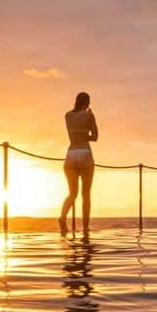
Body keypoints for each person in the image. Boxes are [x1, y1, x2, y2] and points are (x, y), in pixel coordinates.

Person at [60, 92, 98, 236]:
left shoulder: (67, 115)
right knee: (85, 194)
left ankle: (62, 218)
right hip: (84, 153)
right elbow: (95, 136)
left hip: (70, 154)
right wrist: (89, 120)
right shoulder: (88, 115)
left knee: (72, 193)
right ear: (87, 102)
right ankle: (86, 228)